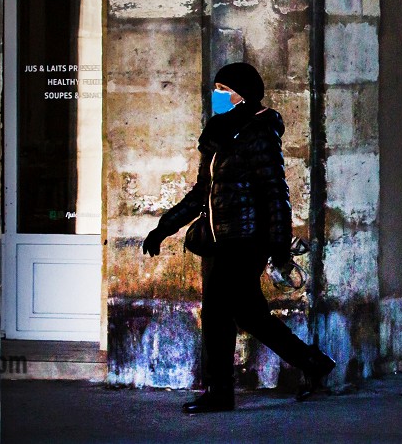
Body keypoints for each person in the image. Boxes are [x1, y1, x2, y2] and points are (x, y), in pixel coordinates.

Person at [142, 61, 335, 414]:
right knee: (250, 315)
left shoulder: (259, 132)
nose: (216, 96)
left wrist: (278, 248)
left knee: (216, 312)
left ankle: (220, 393)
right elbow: (202, 193)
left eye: (222, 91)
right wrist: (164, 227)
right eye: (215, 89)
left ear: (241, 95)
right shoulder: (219, 134)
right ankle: (313, 364)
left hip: (247, 241)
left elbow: (276, 192)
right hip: (219, 240)